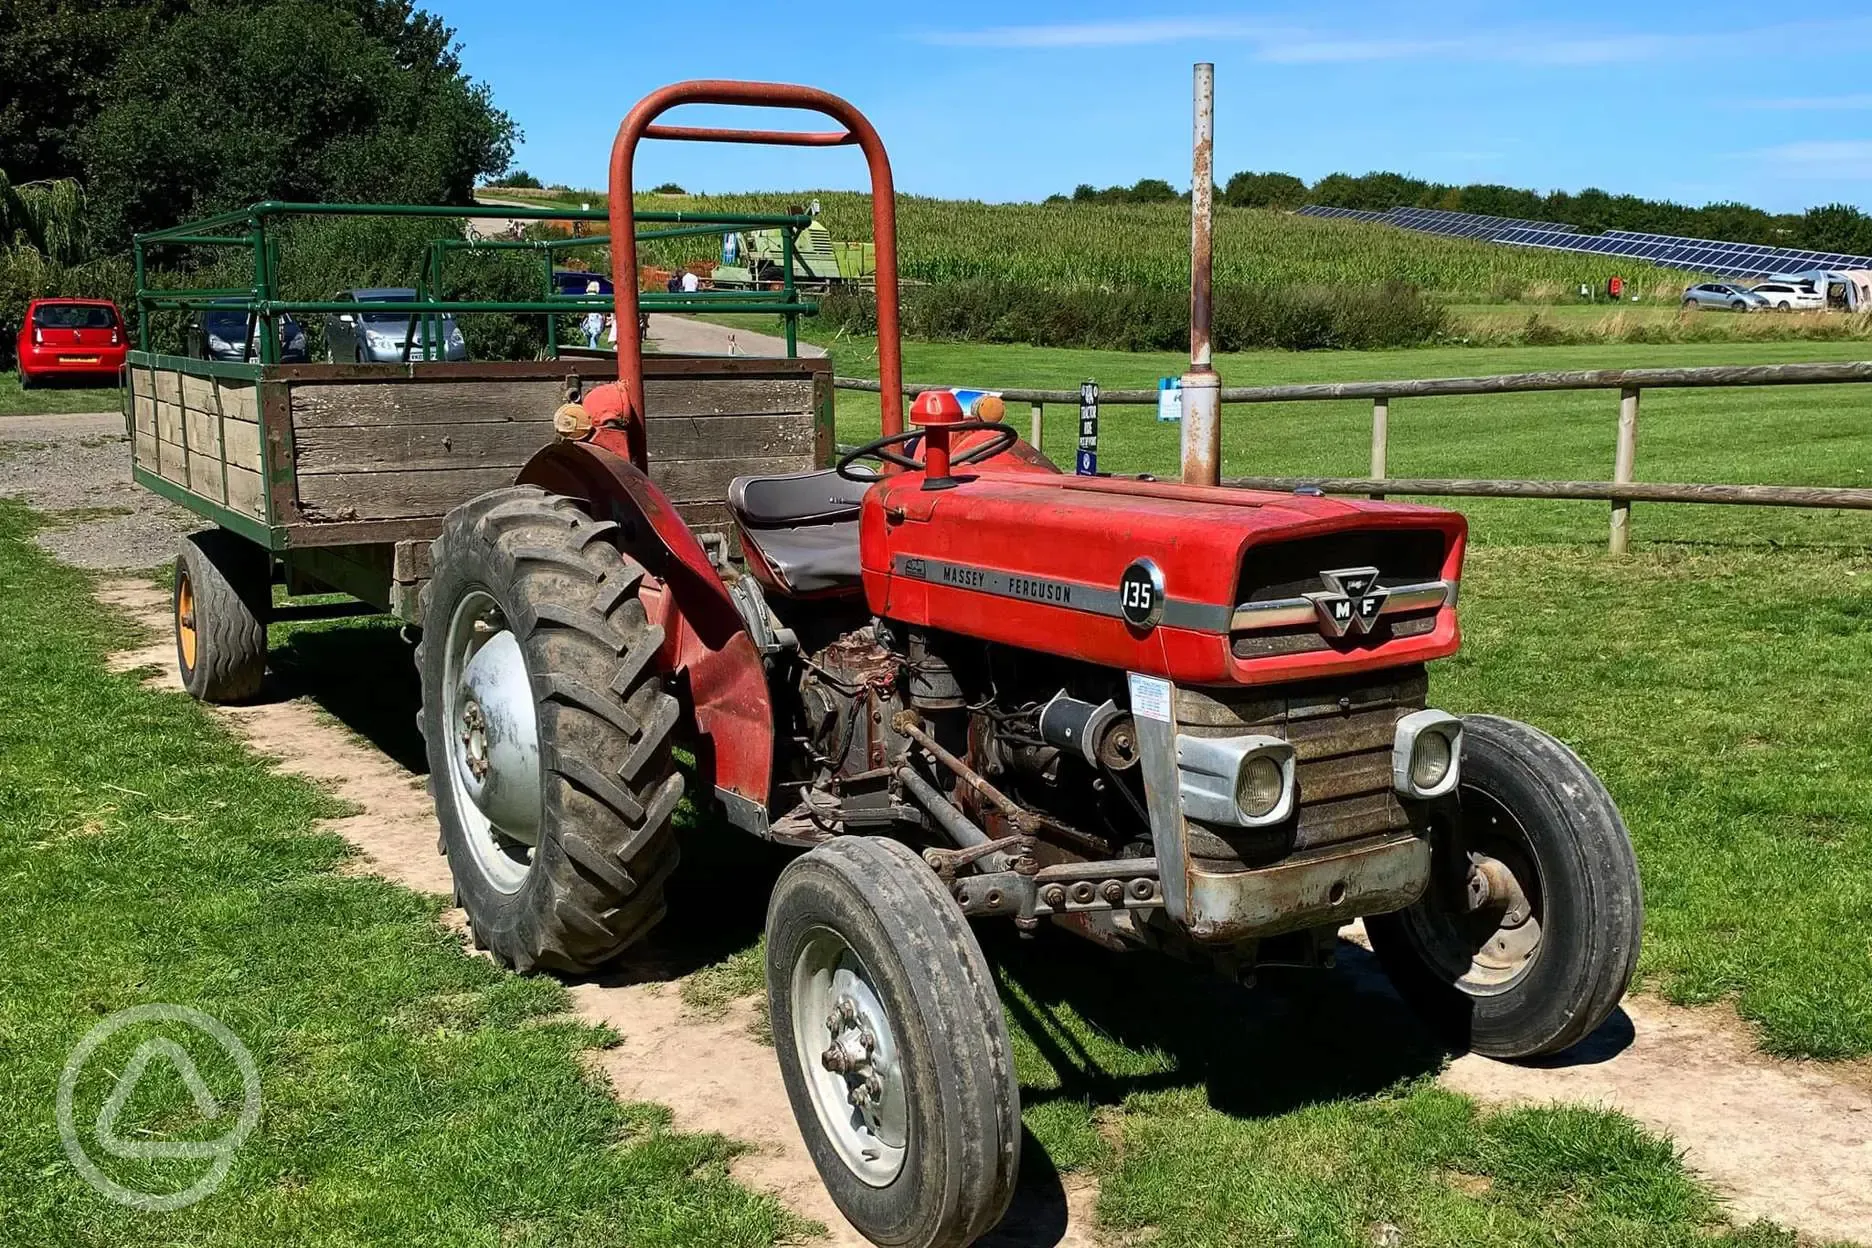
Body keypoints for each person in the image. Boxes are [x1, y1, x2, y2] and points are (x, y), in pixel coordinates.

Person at [581, 280, 604, 348]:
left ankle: (590, 348)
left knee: (589, 336)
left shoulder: (585, 297)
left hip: (588, 319)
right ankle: (593, 350)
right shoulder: (599, 298)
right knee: (594, 337)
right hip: (596, 319)